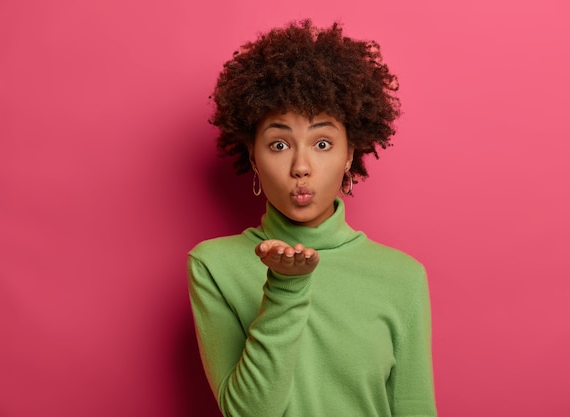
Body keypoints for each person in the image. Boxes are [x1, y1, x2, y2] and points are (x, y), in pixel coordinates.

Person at [187, 19, 436, 417]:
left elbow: (414, 407)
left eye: (322, 143)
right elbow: (247, 413)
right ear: (253, 156)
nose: (301, 166)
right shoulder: (214, 265)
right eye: (279, 143)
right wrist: (286, 287)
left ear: (349, 154)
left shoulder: (402, 276)